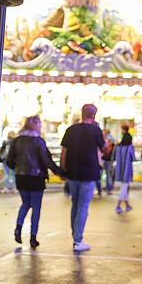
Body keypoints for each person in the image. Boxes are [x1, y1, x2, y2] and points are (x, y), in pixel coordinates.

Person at [5, 115, 63, 248]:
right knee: (36, 207)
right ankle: (33, 237)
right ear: (36, 125)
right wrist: (60, 173)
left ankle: (18, 228)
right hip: (36, 178)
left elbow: (9, 161)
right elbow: (46, 161)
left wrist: (18, 168)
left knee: (25, 203)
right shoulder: (39, 141)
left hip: (21, 177)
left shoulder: (16, 141)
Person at [61, 104, 105, 252]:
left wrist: (63, 168)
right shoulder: (96, 130)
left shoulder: (71, 130)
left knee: (75, 204)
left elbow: (64, 152)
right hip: (89, 172)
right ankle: (78, 240)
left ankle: (76, 236)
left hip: (72, 171)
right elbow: (104, 148)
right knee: (83, 206)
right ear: (94, 115)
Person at [114, 126, 136, 214]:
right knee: (124, 187)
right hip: (127, 169)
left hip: (121, 169)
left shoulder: (120, 147)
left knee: (124, 186)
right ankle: (118, 205)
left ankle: (127, 205)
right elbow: (133, 158)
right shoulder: (130, 147)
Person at [102, 129, 116, 194]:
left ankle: (109, 188)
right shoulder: (110, 140)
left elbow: (108, 150)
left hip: (107, 159)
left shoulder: (109, 140)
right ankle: (108, 188)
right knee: (109, 174)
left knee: (109, 174)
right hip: (107, 159)